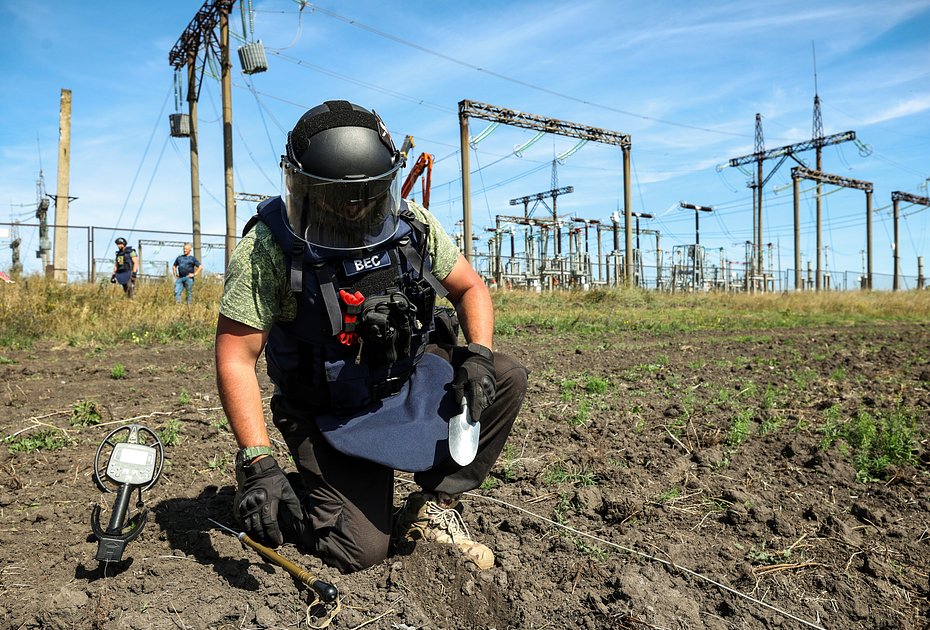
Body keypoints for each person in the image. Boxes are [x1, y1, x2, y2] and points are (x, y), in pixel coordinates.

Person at [215, 100, 528, 573]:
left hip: (403, 380)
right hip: (327, 409)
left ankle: (434, 508)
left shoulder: (413, 227)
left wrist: (479, 355)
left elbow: (469, 287)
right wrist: (258, 461)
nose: (353, 208)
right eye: (337, 197)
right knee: (360, 551)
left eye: (365, 194)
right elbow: (237, 357)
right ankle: (298, 495)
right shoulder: (269, 249)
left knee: (503, 378)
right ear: (302, 186)